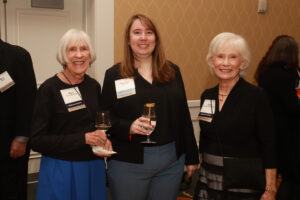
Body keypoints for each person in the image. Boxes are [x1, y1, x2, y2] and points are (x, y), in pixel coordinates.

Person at [101, 14, 199, 200]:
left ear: (156, 39)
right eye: (137, 32)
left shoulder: (172, 71)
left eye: (149, 32)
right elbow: (104, 119)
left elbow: (183, 116)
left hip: (171, 163)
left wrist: (192, 156)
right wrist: (128, 126)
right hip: (128, 162)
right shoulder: (115, 74)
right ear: (129, 41)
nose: (143, 37)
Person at [29, 29, 113, 200]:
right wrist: (83, 139)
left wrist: (104, 139)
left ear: (90, 54)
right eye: (72, 49)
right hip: (60, 169)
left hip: (93, 167)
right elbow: (36, 140)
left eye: (84, 49)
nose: (79, 55)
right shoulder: (49, 89)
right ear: (63, 56)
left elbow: (98, 125)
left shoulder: (94, 86)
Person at [194, 32, 277, 200]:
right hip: (209, 177)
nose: (225, 63)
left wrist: (270, 188)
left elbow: (270, 145)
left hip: (242, 182)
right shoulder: (207, 95)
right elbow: (205, 136)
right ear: (212, 61)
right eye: (220, 56)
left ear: (242, 63)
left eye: (232, 57)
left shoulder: (256, 96)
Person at [255, 35, 300, 200]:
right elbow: (293, 107)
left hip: (266, 128)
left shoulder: (263, 71)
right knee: (291, 176)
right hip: (285, 131)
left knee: (271, 173)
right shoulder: (287, 76)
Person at [0, 39, 36, 200]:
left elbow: (28, 100)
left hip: (9, 145)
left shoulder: (17, 56)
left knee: (11, 190)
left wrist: (22, 138)